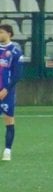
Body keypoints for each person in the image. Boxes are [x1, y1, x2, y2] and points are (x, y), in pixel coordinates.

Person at [0, 23, 23, 161]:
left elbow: (17, 75)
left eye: (1, 32)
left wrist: (6, 89)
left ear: (9, 34)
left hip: (6, 92)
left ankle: (7, 150)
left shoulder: (15, 52)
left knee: (9, 120)